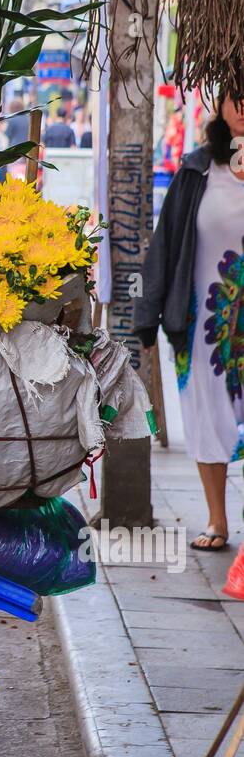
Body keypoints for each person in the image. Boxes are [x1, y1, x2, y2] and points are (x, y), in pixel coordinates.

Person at [134, 93, 244, 599]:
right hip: (203, 321)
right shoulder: (197, 170)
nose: (242, 106)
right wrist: (147, 314)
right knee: (204, 413)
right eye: (234, 97)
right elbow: (165, 243)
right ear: (220, 106)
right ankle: (218, 519)